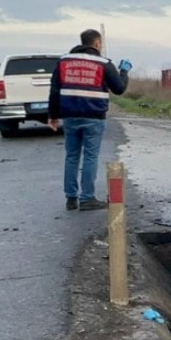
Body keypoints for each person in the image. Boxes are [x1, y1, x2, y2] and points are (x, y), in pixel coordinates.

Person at [47, 29, 132, 211]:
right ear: (97, 43)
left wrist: (53, 115)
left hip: (70, 116)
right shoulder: (103, 63)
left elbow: (54, 90)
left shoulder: (64, 61)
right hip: (94, 117)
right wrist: (124, 71)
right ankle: (87, 198)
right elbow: (119, 89)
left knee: (71, 156)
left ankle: (71, 198)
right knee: (90, 157)